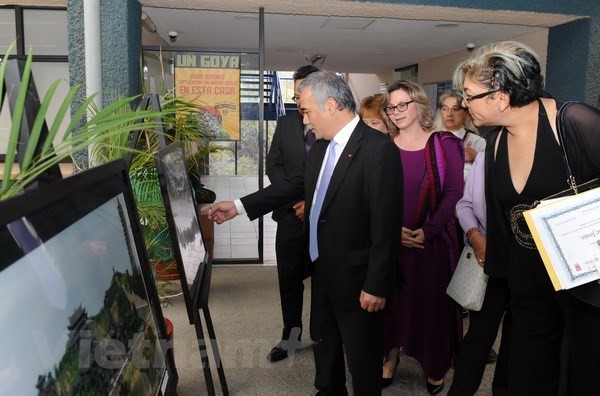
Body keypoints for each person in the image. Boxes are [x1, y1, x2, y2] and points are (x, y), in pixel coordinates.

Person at [205, 71, 403, 395]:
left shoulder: (377, 149)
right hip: (323, 266)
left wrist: (377, 285)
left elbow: (386, 224)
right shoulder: (323, 148)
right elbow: (293, 184)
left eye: (307, 111)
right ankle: (327, 389)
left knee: (362, 358)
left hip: (358, 277)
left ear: (331, 104)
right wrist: (239, 206)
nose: (305, 121)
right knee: (324, 338)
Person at [452, 40, 600, 395]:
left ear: (500, 97)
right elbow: (505, 219)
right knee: (527, 371)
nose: (462, 103)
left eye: (469, 95)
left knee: (586, 372)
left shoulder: (575, 122)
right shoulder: (497, 140)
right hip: (528, 279)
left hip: (585, 283)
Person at [380, 80, 464, 395]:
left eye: (404, 104)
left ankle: (435, 365)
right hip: (390, 241)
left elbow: (455, 191)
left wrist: (427, 231)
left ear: (419, 104)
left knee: (432, 306)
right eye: (391, 106)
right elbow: (371, 195)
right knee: (392, 304)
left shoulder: (446, 143)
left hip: (433, 243)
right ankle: (390, 357)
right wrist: (391, 232)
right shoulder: (382, 144)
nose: (397, 111)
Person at [265, 64, 319, 362]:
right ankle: (291, 336)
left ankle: (326, 335)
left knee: (324, 279)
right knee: (289, 279)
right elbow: (273, 165)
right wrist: (294, 199)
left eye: (304, 92)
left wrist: (310, 200)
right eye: (296, 92)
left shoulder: (330, 125)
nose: (299, 99)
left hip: (325, 219)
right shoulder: (286, 123)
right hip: (289, 216)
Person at [447, 152, 510, 396]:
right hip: (488, 259)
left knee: (517, 340)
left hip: (530, 263)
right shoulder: (487, 155)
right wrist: (475, 236)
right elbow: (464, 204)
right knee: (479, 336)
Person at [434, 89, 486, 182]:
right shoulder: (432, 140)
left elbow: (490, 176)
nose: (449, 114)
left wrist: (476, 157)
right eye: (445, 109)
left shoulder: (477, 142)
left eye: (455, 109)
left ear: (466, 113)